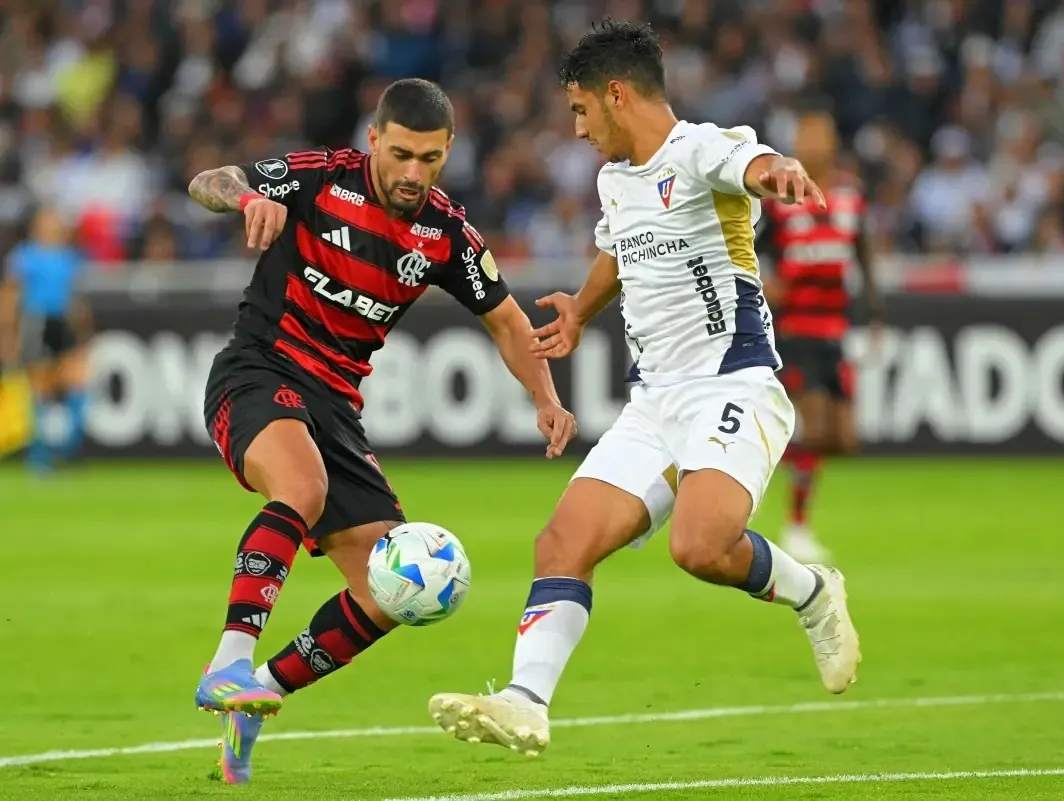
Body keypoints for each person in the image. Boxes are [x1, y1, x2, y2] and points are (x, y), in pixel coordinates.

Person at [428, 20, 861, 758]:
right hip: (655, 402)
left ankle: (814, 593)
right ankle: (525, 701)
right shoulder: (616, 179)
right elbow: (618, 251)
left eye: (580, 109)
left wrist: (779, 169)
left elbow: (749, 162)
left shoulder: (698, 149)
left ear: (616, 94)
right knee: (561, 541)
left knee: (698, 545)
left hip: (733, 383)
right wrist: (579, 309)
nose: (576, 127)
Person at [186, 78, 576, 784]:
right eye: (400, 154)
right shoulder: (319, 179)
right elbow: (210, 179)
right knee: (301, 485)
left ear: (448, 151)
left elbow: (507, 320)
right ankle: (228, 663)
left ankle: (260, 692)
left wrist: (545, 396)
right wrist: (246, 199)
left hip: (335, 407)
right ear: (374, 138)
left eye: (429, 159)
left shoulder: (446, 233)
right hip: (257, 369)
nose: (412, 173)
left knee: (390, 587)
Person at [756, 107, 883, 562]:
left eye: (818, 133)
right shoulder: (778, 199)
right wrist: (764, 282)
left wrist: (874, 313)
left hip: (836, 328)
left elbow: (864, 254)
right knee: (814, 428)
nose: (811, 142)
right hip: (796, 328)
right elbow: (746, 249)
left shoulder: (850, 196)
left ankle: (756, 460)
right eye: (805, 134)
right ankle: (796, 526)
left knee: (844, 440)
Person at [0, 207, 90, 473]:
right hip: (37, 321)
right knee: (41, 388)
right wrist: (8, 335)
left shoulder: (70, 257)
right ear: (37, 226)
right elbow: (11, 296)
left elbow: (77, 299)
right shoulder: (25, 256)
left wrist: (84, 334)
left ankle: (68, 447)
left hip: (64, 322)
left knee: (78, 384)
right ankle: (40, 457)